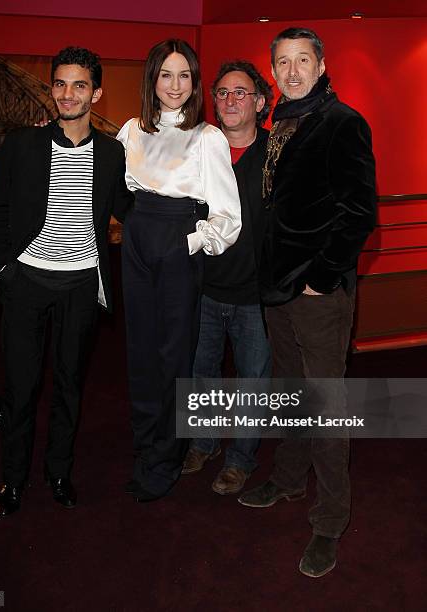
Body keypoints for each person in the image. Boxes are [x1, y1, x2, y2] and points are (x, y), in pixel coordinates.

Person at [238, 28, 376, 577]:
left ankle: (330, 520)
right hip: (278, 289)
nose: (291, 71)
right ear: (272, 70)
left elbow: (359, 211)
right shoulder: (280, 123)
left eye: (302, 60)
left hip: (318, 293)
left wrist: (322, 276)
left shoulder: (342, 123)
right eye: (282, 62)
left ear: (321, 65)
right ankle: (290, 479)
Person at [0, 46, 131, 517]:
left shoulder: (112, 154)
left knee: (70, 385)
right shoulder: (21, 144)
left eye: (79, 85)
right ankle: (12, 479)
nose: (68, 94)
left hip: (81, 286)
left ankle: (60, 472)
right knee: (21, 386)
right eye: (61, 84)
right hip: (26, 282)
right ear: (52, 89)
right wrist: (6, 268)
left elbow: (130, 210)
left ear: (97, 93)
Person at [116, 39, 241, 503]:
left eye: (184, 75)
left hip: (178, 246)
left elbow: (229, 215)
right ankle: (146, 446)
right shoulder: (132, 130)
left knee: (174, 357)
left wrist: (187, 241)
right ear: (152, 79)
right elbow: (114, 189)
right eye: (166, 74)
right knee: (139, 353)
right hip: (137, 242)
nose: (174, 85)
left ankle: (166, 458)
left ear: (195, 83)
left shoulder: (207, 137)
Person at [181, 61, 273, 495]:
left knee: (253, 383)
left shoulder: (278, 156)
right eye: (221, 92)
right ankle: (203, 442)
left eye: (241, 92)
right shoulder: (196, 153)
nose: (230, 100)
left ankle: (241, 460)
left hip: (257, 296)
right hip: (202, 288)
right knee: (201, 374)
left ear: (259, 102)